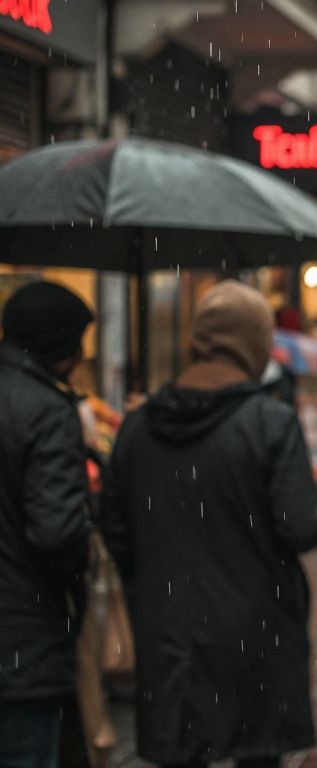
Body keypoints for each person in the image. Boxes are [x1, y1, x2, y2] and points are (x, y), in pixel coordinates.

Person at [99, 281, 317, 768]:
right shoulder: (269, 423)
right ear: (255, 343)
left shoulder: (139, 428)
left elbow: (114, 525)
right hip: (256, 629)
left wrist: (155, 580)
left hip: (170, 627)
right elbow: (300, 527)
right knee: (256, 753)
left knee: (183, 751)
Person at [0, 282, 94, 768]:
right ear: (62, 345)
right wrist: (82, 577)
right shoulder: (47, 410)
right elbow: (56, 533)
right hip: (21, 645)